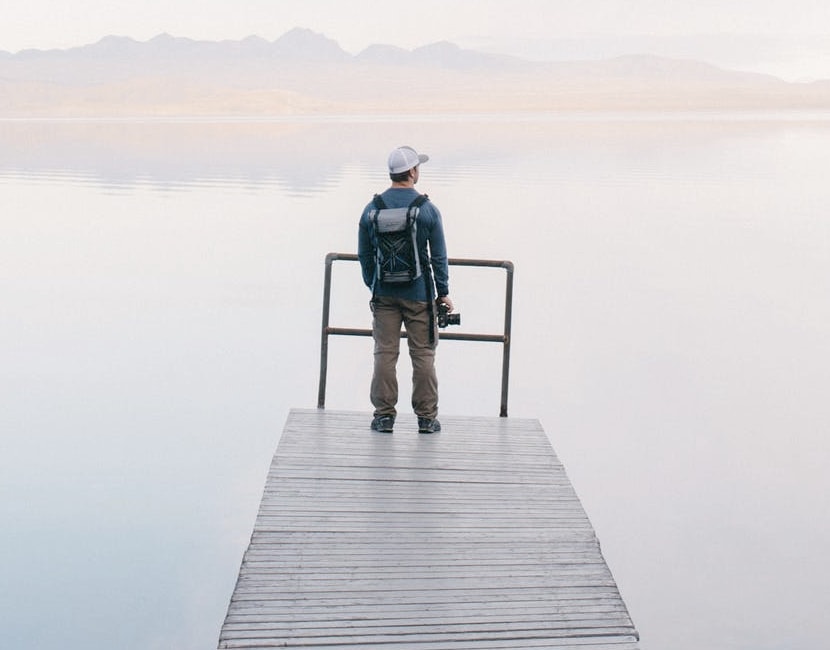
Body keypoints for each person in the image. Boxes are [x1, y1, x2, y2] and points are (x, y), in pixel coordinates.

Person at [358, 145, 454, 434]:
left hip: (384, 295)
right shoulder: (427, 209)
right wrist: (443, 292)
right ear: (412, 172)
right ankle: (426, 418)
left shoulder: (372, 208)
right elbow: (438, 256)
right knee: (423, 355)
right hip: (419, 295)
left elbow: (364, 255)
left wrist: (374, 283)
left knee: (385, 354)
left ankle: (384, 416)